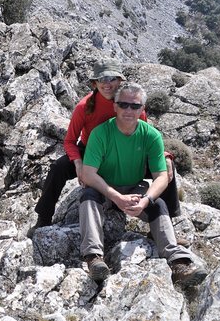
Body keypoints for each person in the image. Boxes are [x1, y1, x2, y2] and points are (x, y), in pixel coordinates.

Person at [29, 59, 181, 235]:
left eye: (112, 79)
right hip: (91, 153)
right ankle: (44, 218)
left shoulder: (131, 105)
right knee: (58, 167)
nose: (107, 84)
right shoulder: (84, 107)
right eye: (102, 79)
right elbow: (70, 140)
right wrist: (78, 163)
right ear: (95, 83)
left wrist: (165, 156)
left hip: (126, 153)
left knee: (167, 171)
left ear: (119, 81)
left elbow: (144, 137)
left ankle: (167, 223)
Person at [79, 82, 207, 287]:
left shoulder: (151, 135)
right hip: (105, 187)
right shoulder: (101, 133)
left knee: (158, 205)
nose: (129, 110)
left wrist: (146, 200)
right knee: (88, 197)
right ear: (114, 106)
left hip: (134, 188)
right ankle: (94, 258)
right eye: (123, 105)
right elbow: (88, 174)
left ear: (142, 109)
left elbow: (162, 176)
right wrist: (116, 197)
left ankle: (178, 263)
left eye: (135, 106)